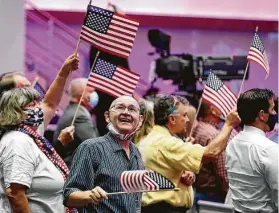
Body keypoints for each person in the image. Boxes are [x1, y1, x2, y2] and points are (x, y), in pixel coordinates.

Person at [0, 53, 79, 213]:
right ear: (9, 97)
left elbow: (49, 103)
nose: (32, 91)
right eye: (24, 88)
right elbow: (16, 193)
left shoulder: (29, 126)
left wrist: (64, 72)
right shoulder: (16, 137)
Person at [138, 95, 240, 212]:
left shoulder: (153, 138)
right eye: (184, 115)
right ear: (172, 119)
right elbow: (211, 153)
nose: (187, 120)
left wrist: (183, 173)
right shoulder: (166, 142)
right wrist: (229, 125)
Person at [63, 95, 144, 213]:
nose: (126, 112)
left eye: (132, 109)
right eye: (120, 107)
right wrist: (89, 195)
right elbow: (68, 196)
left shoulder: (136, 152)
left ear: (140, 120)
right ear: (107, 116)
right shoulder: (91, 148)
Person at [226, 88, 278, 213]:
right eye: (272, 109)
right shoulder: (269, 149)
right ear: (261, 115)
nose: (275, 113)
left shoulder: (232, 143)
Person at [53, 78, 99, 167]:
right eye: (91, 91)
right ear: (81, 95)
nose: (94, 95)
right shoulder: (79, 116)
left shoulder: (72, 111)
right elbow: (95, 146)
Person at [192, 101, 229, 203]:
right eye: (221, 105)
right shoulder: (214, 135)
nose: (224, 109)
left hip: (196, 191)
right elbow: (222, 172)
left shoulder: (196, 127)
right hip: (212, 195)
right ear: (212, 110)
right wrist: (229, 194)